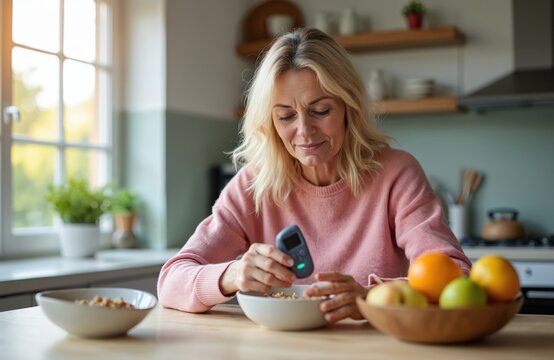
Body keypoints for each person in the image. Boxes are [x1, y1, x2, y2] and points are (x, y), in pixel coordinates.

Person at [158, 28, 471, 323]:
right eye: (285, 116)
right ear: (269, 121)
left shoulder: (396, 174)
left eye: (321, 110)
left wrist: (369, 297)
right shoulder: (253, 185)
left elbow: (456, 275)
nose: (304, 131)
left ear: (349, 107)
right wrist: (233, 274)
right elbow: (171, 283)